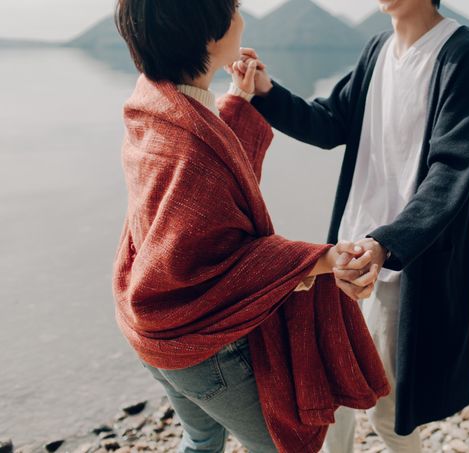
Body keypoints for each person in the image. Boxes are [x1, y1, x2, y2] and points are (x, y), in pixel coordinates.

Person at [111, 1, 390, 452]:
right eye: (236, 7)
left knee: (201, 439)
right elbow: (205, 253)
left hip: (152, 332)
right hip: (199, 348)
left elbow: (207, 192)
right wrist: (320, 258)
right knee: (284, 447)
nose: (243, 16)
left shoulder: (156, 105)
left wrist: (239, 102)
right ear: (209, 35)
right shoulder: (188, 143)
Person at [234, 0, 469, 450]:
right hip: (349, 250)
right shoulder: (377, 48)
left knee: (389, 413)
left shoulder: (461, 52)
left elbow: (451, 168)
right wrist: (266, 92)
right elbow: (331, 122)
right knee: (334, 393)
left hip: (403, 260)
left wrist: (387, 244)